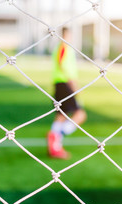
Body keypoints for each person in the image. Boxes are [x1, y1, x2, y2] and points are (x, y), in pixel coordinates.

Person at [47, 27, 87, 160]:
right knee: (80, 114)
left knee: (61, 116)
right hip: (65, 84)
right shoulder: (63, 47)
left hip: (60, 84)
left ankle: (54, 144)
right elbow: (62, 64)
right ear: (64, 35)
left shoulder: (61, 47)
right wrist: (72, 83)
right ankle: (57, 137)